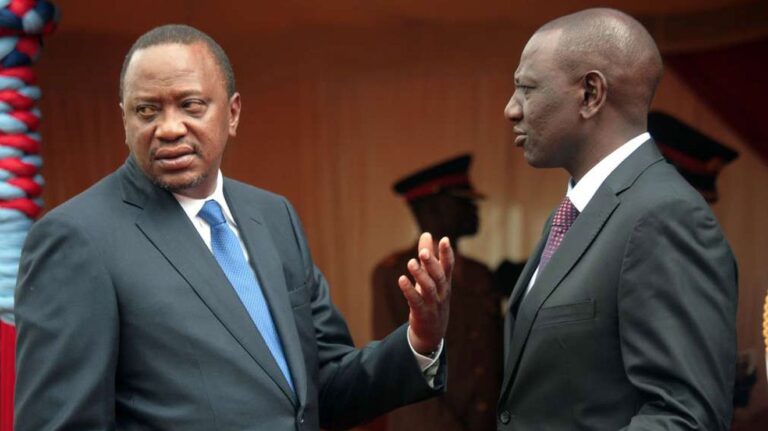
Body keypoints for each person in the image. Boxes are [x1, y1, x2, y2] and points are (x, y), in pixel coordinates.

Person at [14, 24, 454, 431]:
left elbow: (321, 390)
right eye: (146, 110)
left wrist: (420, 339)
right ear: (124, 118)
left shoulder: (273, 216)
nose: (168, 128)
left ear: (233, 113)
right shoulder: (77, 238)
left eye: (191, 105)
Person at [499, 8, 737, 430]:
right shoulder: (575, 214)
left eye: (527, 89)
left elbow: (684, 417)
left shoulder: (664, 217)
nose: (511, 109)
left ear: (591, 94)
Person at [372, 154, 501, 431]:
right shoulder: (395, 276)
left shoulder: (480, 274)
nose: (474, 208)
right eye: (462, 200)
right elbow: (399, 369)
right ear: (431, 207)